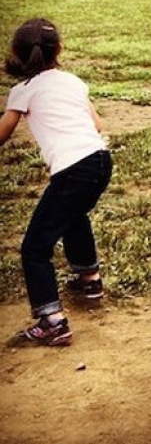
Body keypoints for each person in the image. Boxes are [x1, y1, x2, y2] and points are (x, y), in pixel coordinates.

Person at [0, 18, 112, 346]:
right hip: (101, 161)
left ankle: (52, 321)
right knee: (73, 215)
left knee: (34, 248)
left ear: (17, 54)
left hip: (73, 170)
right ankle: (89, 279)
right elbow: (98, 122)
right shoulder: (72, 81)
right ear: (58, 50)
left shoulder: (22, 91)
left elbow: (3, 134)